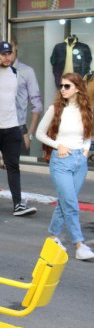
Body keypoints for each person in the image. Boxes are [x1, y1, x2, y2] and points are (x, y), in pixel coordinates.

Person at [36, 73, 94, 261]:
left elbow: (88, 134)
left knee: (65, 202)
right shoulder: (55, 109)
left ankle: (53, 237)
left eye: (67, 86)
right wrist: (58, 145)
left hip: (80, 162)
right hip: (61, 161)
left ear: (77, 88)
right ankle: (79, 245)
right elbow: (39, 134)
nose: (62, 89)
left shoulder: (86, 109)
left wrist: (85, 152)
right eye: (61, 86)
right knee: (71, 204)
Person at [0, 41, 37, 216]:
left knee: (13, 165)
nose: (7, 57)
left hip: (11, 126)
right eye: (3, 54)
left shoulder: (15, 73)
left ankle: (18, 204)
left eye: (9, 54)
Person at [10, 41, 43, 153]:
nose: (8, 52)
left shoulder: (27, 71)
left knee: (19, 164)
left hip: (19, 130)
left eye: (11, 46)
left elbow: (37, 105)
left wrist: (30, 136)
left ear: (16, 47)